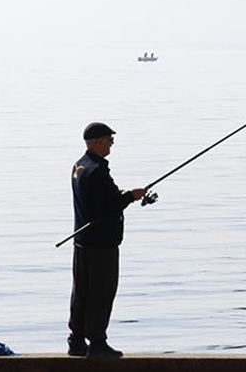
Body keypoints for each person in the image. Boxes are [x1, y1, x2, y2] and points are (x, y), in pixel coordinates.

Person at [67, 121, 146, 358]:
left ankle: (77, 341)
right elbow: (108, 205)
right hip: (101, 244)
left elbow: (98, 199)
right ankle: (98, 343)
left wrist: (123, 195)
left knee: (81, 293)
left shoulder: (80, 166)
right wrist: (131, 196)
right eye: (109, 140)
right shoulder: (98, 171)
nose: (112, 144)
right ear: (98, 142)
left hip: (82, 240)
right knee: (101, 294)